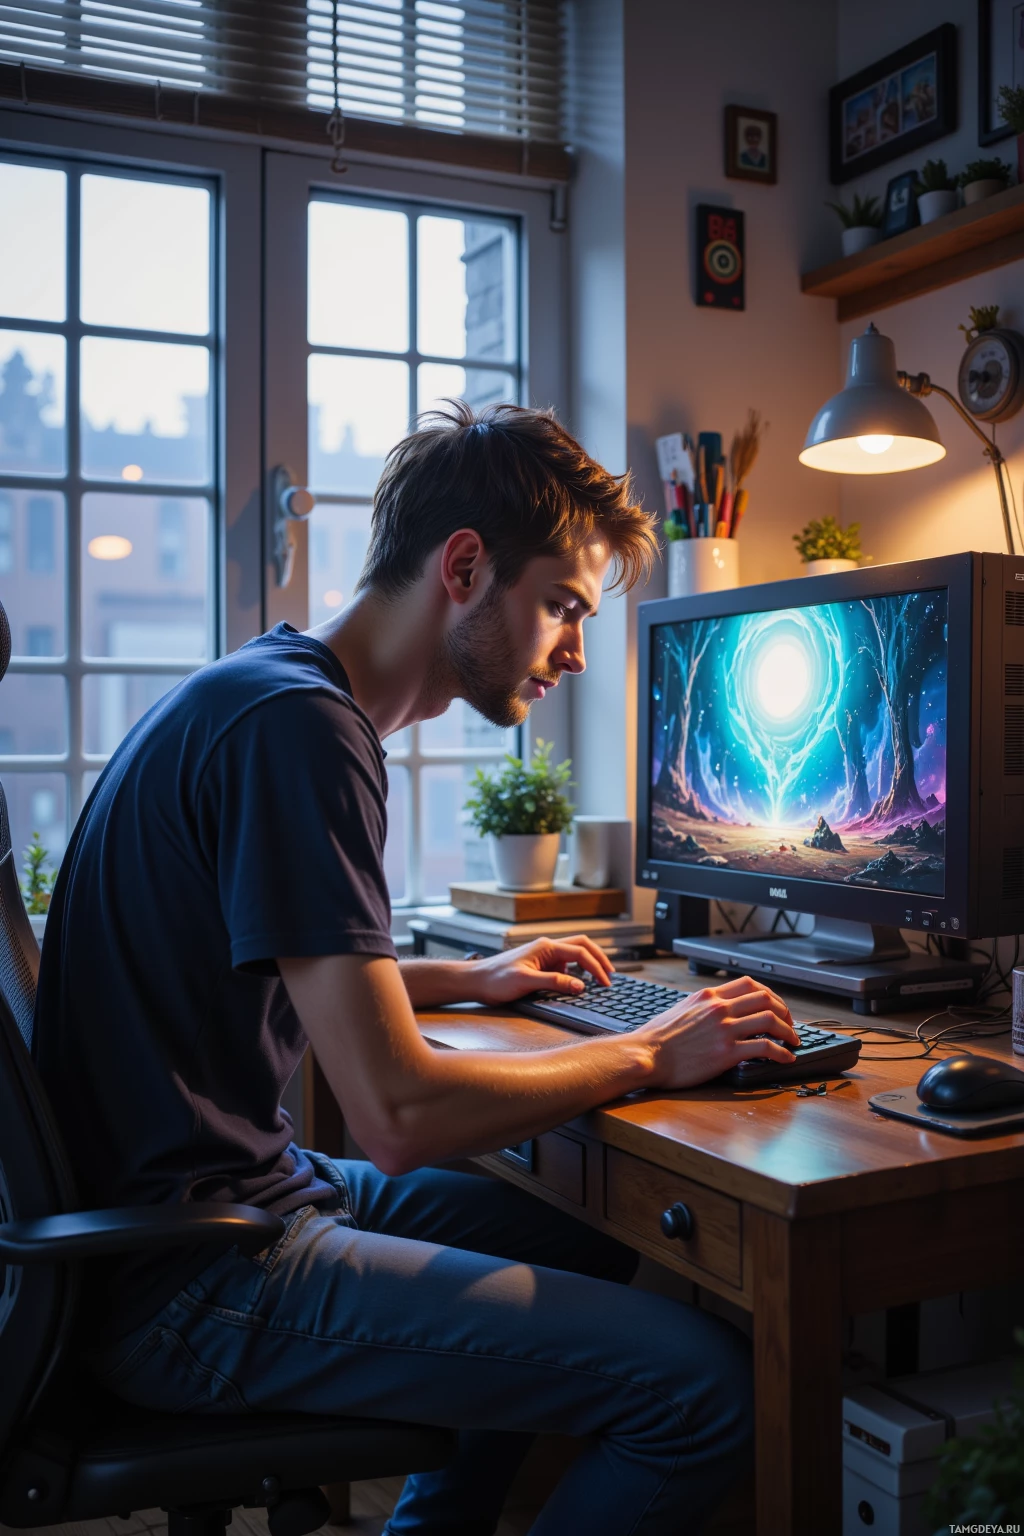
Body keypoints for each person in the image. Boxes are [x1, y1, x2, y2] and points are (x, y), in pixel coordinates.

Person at [35, 401, 798, 1536]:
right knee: (702, 1390)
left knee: (591, 1222)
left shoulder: (271, 688)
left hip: (216, 1208)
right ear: (464, 566)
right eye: (562, 607)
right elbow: (394, 1112)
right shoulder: (299, 732)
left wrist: (472, 981)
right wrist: (648, 1049)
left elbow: (275, 957)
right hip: (194, 1276)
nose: (576, 651)